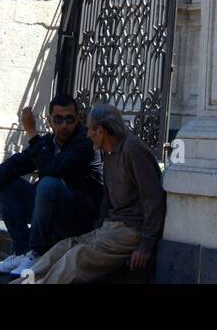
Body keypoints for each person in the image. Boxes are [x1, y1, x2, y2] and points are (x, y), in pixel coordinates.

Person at [11, 102, 165, 284]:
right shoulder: (107, 152)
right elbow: (108, 199)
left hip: (130, 231)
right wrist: (99, 226)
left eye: (90, 129)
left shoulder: (132, 150)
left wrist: (146, 245)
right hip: (109, 228)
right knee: (62, 248)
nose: (87, 134)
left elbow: (153, 199)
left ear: (100, 131)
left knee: (77, 257)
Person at [0, 95, 102, 277]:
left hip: (79, 216)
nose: (64, 125)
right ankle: (22, 252)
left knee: (48, 183)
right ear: (50, 121)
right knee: (7, 184)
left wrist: (32, 134)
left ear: (78, 119)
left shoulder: (85, 141)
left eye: (69, 119)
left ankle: (37, 252)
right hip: (50, 214)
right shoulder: (49, 143)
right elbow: (16, 163)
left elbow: (52, 169)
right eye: (58, 120)